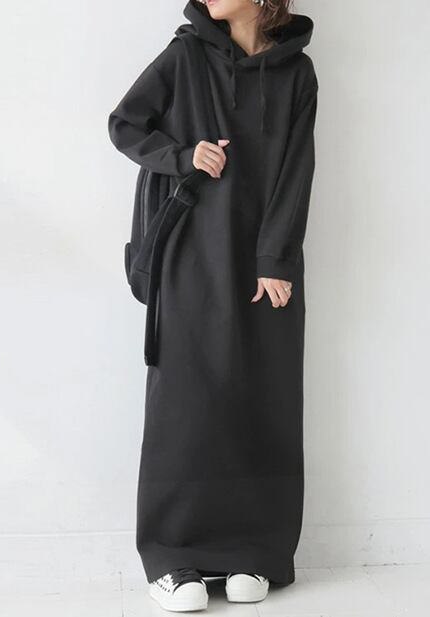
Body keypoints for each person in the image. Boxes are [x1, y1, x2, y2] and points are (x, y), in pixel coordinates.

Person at [107, 0, 318, 612]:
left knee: (262, 398)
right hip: (191, 254)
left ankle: (253, 549)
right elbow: (125, 124)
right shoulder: (184, 55)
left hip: (264, 262)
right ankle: (172, 557)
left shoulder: (297, 72)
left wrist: (276, 258)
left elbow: (297, 167)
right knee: (186, 402)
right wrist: (183, 156)